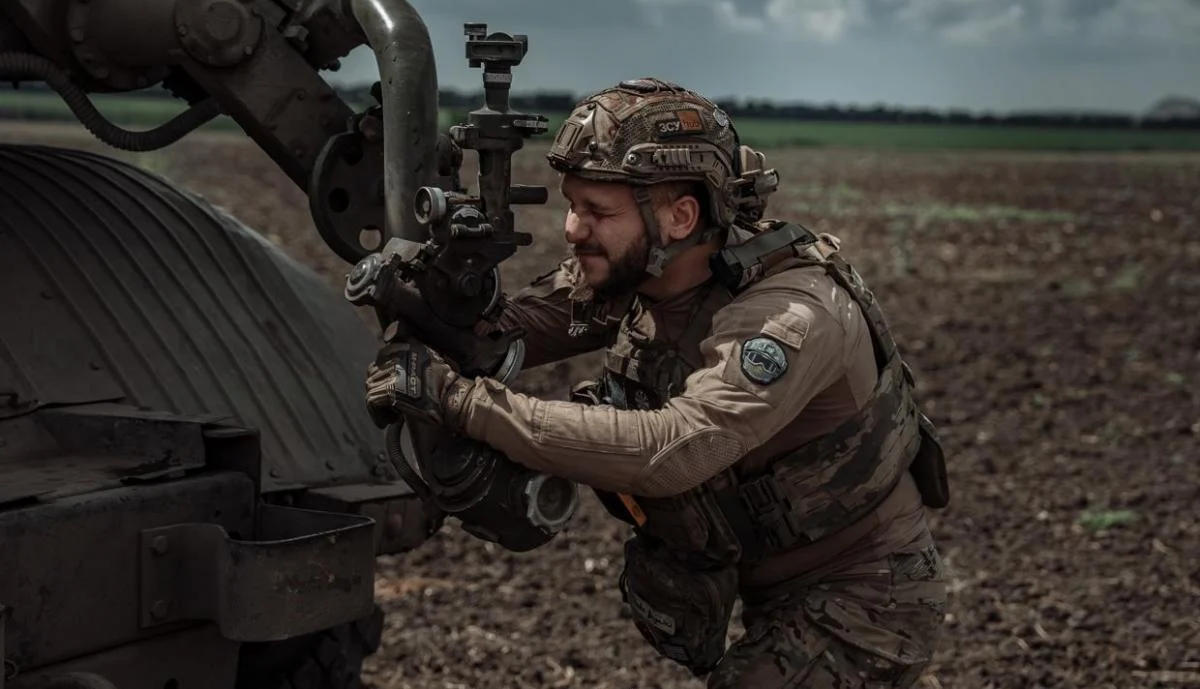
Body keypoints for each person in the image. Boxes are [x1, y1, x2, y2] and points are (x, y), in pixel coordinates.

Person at [365, 78, 950, 688]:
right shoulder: (641, 273)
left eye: (598, 212)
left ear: (679, 217)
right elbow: (497, 337)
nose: (572, 229)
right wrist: (418, 298)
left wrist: (461, 402)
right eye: (572, 204)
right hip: (763, 579)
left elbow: (671, 450)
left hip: (866, 593)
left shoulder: (791, 315)